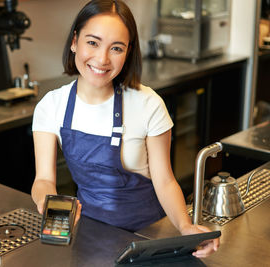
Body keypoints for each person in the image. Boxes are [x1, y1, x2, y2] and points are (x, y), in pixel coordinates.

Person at [31, 0, 219, 258]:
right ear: (75, 41)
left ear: (129, 52)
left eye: (116, 48)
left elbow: (164, 181)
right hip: (90, 234)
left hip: (149, 236)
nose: (102, 59)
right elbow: (43, 180)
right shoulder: (51, 106)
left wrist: (185, 227)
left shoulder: (148, 103)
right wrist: (48, 202)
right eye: (93, 42)